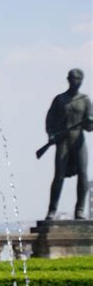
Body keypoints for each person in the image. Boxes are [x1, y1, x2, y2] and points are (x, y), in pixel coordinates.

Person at [45, 69, 92, 220]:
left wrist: (90, 122)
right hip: (63, 140)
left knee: (83, 174)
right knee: (59, 176)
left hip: (79, 140)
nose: (76, 81)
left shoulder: (85, 100)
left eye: (79, 79)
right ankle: (52, 210)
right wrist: (52, 135)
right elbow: (50, 120)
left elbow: (89, 127)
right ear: (68, 80)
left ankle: (79, 210)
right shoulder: (59, 100)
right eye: (73, 79)